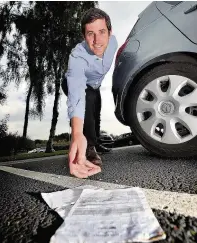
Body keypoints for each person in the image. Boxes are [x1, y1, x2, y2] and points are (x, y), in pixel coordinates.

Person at [62, 8, 118, 179]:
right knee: (88, 106)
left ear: (110, 32)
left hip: (95, 85)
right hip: (76, 85)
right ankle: (89, 146)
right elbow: (77, 95)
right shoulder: (77, 56)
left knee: (96, 110)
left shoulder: (113, 43)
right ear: (84, 36)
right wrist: (77, 134)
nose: (97, 40)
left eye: (102, 32)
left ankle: (97, 143)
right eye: (90, 34)